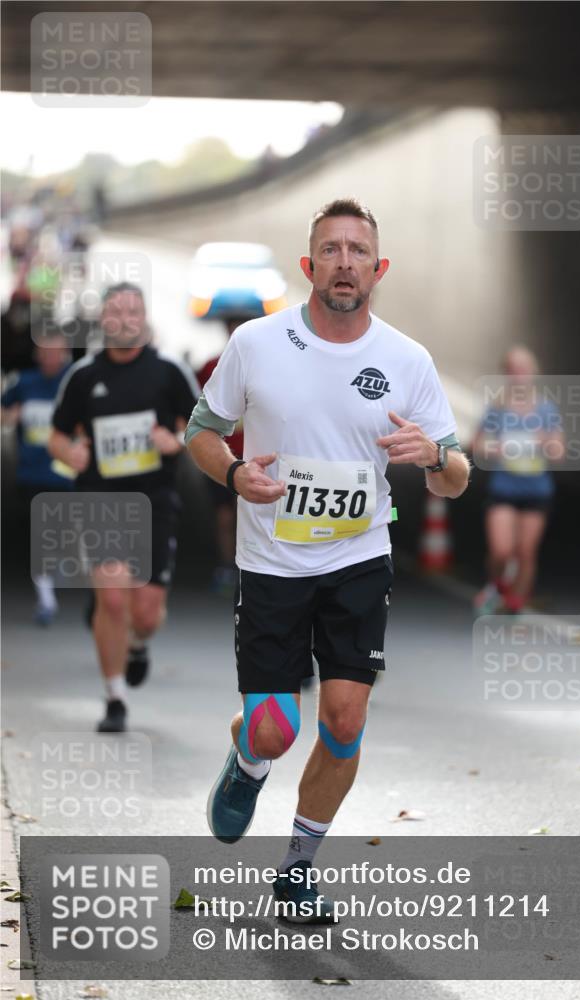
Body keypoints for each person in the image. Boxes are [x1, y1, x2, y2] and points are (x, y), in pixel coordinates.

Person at [186, 199, 470, 922]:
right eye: (330, 250)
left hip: (358, 558)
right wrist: (232, 473)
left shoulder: (407, 359)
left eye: (357, 250)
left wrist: (435, 457)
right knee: (274, 729)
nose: (344, 261)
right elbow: (202, 431)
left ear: (378, 268)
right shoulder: (255, 343)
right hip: (273, 563)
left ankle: (298, 870)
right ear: (308, 266)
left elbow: (454, 474)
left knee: (343, 721)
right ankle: (249, 759)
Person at [48, 282, 199, 733]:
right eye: (115, 312)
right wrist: (68, 453)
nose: (124, 319)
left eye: (132, 311)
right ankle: (114, 697)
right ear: (103, 320)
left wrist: (172, 441)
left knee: (145, 614)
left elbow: (201, 431)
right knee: (111, 599)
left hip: (154, 499)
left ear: (145, 317)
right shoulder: (83, 375)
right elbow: (58, 435)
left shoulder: (169, 372)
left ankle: (137, 646)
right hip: (100, 500)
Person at [472, 345, 565, 615]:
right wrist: (496, 448)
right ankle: (498, 584)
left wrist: (544, 441)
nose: (519, 375)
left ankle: (515, 605)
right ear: (506, 374)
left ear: (533, 372)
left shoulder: (546, 410)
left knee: (525, 552)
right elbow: (476, 446)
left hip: (537, 491)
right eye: (513, 369)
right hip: (504, 489)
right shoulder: (498, 410)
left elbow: (559, 452)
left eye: (524, 369)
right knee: (502, 550)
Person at [1, 333, 72, 624]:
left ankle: (57, 566)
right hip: (31, 472)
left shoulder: (74, 380)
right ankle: (46, 599)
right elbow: (4, 411)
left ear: (65, 353)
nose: (50, 358)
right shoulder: (24, 383)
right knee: (42, 533)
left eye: (56, 352)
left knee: (61, 532)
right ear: (37, 355)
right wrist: (10, 416)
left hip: (66, 472)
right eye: (45, 352)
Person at [195, 318, 247, 595]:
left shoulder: (264, 363)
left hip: (255, 455)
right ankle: (227, 565)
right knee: (224, 516)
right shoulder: (209, 366)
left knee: (248, 514)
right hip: (220, 454)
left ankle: (248, 565)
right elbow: (195, 406)